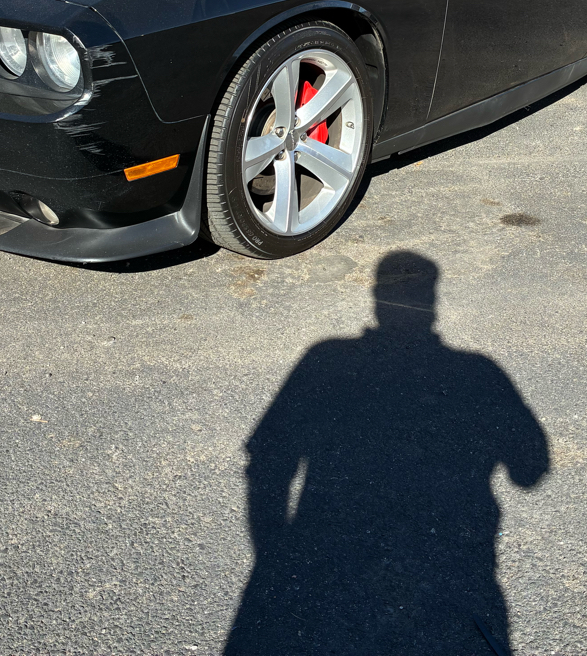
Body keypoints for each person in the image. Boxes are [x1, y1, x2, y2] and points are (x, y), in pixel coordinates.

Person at [225, 252, 550, 655]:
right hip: (448, 575)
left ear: (377, 299)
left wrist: (273, 555)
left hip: (330, 570)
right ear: (432, 302)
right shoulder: (478, 371)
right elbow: (530, 469)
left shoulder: (326, 358)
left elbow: (267, 460)